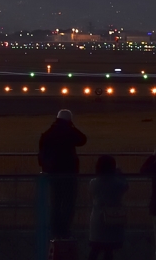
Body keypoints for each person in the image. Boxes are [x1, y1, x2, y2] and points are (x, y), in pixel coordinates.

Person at [39, 109, 87, 239]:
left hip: (53, 174)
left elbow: (41, 153)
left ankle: (54, 229)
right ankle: (65, 229)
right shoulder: (69, 132)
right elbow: (83, 140)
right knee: (68, 202)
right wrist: (72, 127)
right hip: (69, 173)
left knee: (55, 202)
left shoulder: (48, 134)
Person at [88, 155, 128, 260]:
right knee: (109, 250)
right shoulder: (118, 183)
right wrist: (119, 174)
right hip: (113, 218)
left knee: (95, 249)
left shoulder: (93, 182)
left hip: (97, 219)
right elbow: (125, 186)